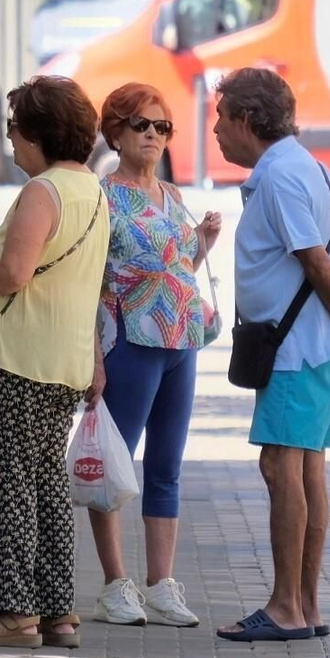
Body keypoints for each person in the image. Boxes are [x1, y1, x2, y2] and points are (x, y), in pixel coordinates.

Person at [210, 68, 330, 643]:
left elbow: (319, 260)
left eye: (220, 118)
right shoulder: (312, 169)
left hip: (297, 350)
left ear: (244, 119)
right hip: (318, 349)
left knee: (281, 468)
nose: (215, 131)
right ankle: (305, 605)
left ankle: (287, 605)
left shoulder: (282, 175)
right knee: (306, 471)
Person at [0, 76, 109, 649]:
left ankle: (16, 613)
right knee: (44, 483)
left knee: (8, 483)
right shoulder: (92, 189)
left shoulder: (45, 192)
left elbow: (14, 274)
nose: (10, 139)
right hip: (61, 359)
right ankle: (59, 610)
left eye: (14, 128)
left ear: (38, 133)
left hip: (16, 357)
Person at [86, 83, 222, 629]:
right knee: (113, 466)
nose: (152, 135)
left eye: (162, 127)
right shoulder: (104, 195)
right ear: (115, 132)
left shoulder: (172, 195)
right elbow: (92, 279)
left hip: (179, 341)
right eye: (141, 125)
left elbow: (177, 269)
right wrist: (92, 355)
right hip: (128, 341)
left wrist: (203, 243)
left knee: (166, 467)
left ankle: (161, 584)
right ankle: (115, 584)